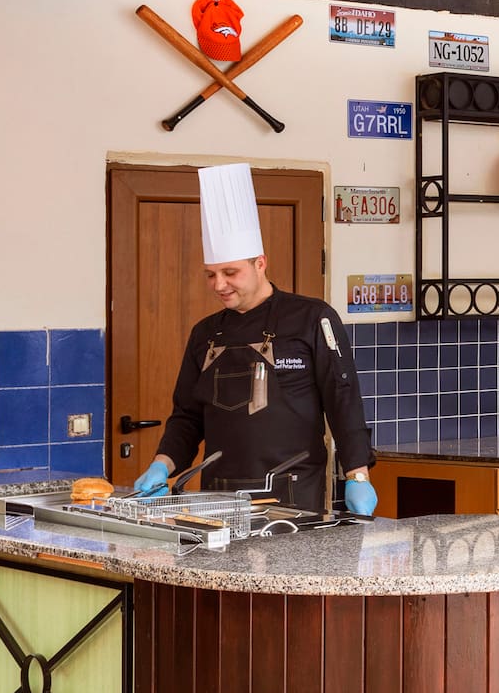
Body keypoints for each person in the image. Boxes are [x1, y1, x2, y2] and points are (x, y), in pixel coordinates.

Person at [137, 163, 377, 516]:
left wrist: (358, 476)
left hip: (292, 497)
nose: (219, 284)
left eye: (230, 272)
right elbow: (187, 418)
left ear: (260, 263)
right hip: (216, 498)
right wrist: (163, 464)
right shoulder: (205, 333)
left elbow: (343, 402)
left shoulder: (313, 318)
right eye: (211, 275)